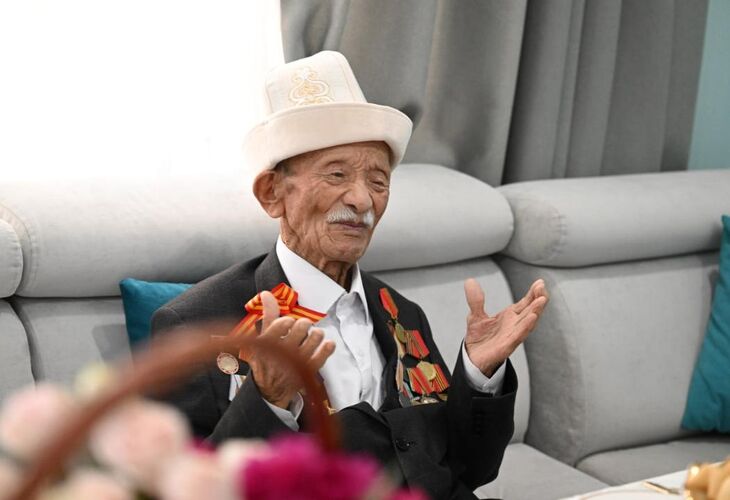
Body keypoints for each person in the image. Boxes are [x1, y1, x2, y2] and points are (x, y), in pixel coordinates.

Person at [151, 51, 548, 499]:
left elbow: (468, 469)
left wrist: (479, 374)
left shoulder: (403, 315)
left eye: (378, 181)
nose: (362, 200)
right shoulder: (194, 324)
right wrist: (267, 399)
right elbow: (183, 490)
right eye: (336, 174)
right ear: (272, 193)